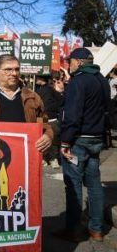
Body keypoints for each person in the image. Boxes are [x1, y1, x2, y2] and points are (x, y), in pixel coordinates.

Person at [56, 48, 112, 243]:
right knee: (94, 185)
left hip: (78, 139)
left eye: (70, 61)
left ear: (79, 62)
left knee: (73, 185)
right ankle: (96, 229)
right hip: (96, 138)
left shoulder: (78, 81)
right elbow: (107, 110)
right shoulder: (102, 80)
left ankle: (73, 230)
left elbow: (72, 115)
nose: (68, 64)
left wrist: (65, 141)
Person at [37, 75, 65, 166]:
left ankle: (50, 159)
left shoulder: (47, 90)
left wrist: (52, 108)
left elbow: (61, 101)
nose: (36, 79)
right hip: (48, 118)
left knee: (50, 139)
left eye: (37, 78)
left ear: (41, 79)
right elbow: (61, 101)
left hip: (47, 118)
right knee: (51, 140)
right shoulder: (48, 89)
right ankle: (51, 159)